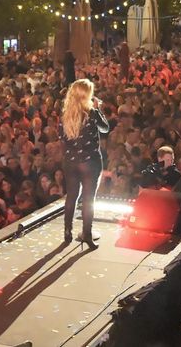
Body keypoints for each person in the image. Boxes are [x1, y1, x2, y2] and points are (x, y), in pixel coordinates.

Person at [60, 79, 108, 249]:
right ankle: (87, 234)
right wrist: (97, 109)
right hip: (90, 162)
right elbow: (105, 128)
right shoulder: (92, 113)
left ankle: (67, 231)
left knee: (71, 196)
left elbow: (63, 140)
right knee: (88, 199)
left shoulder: (65, 115)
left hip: (70, 162)